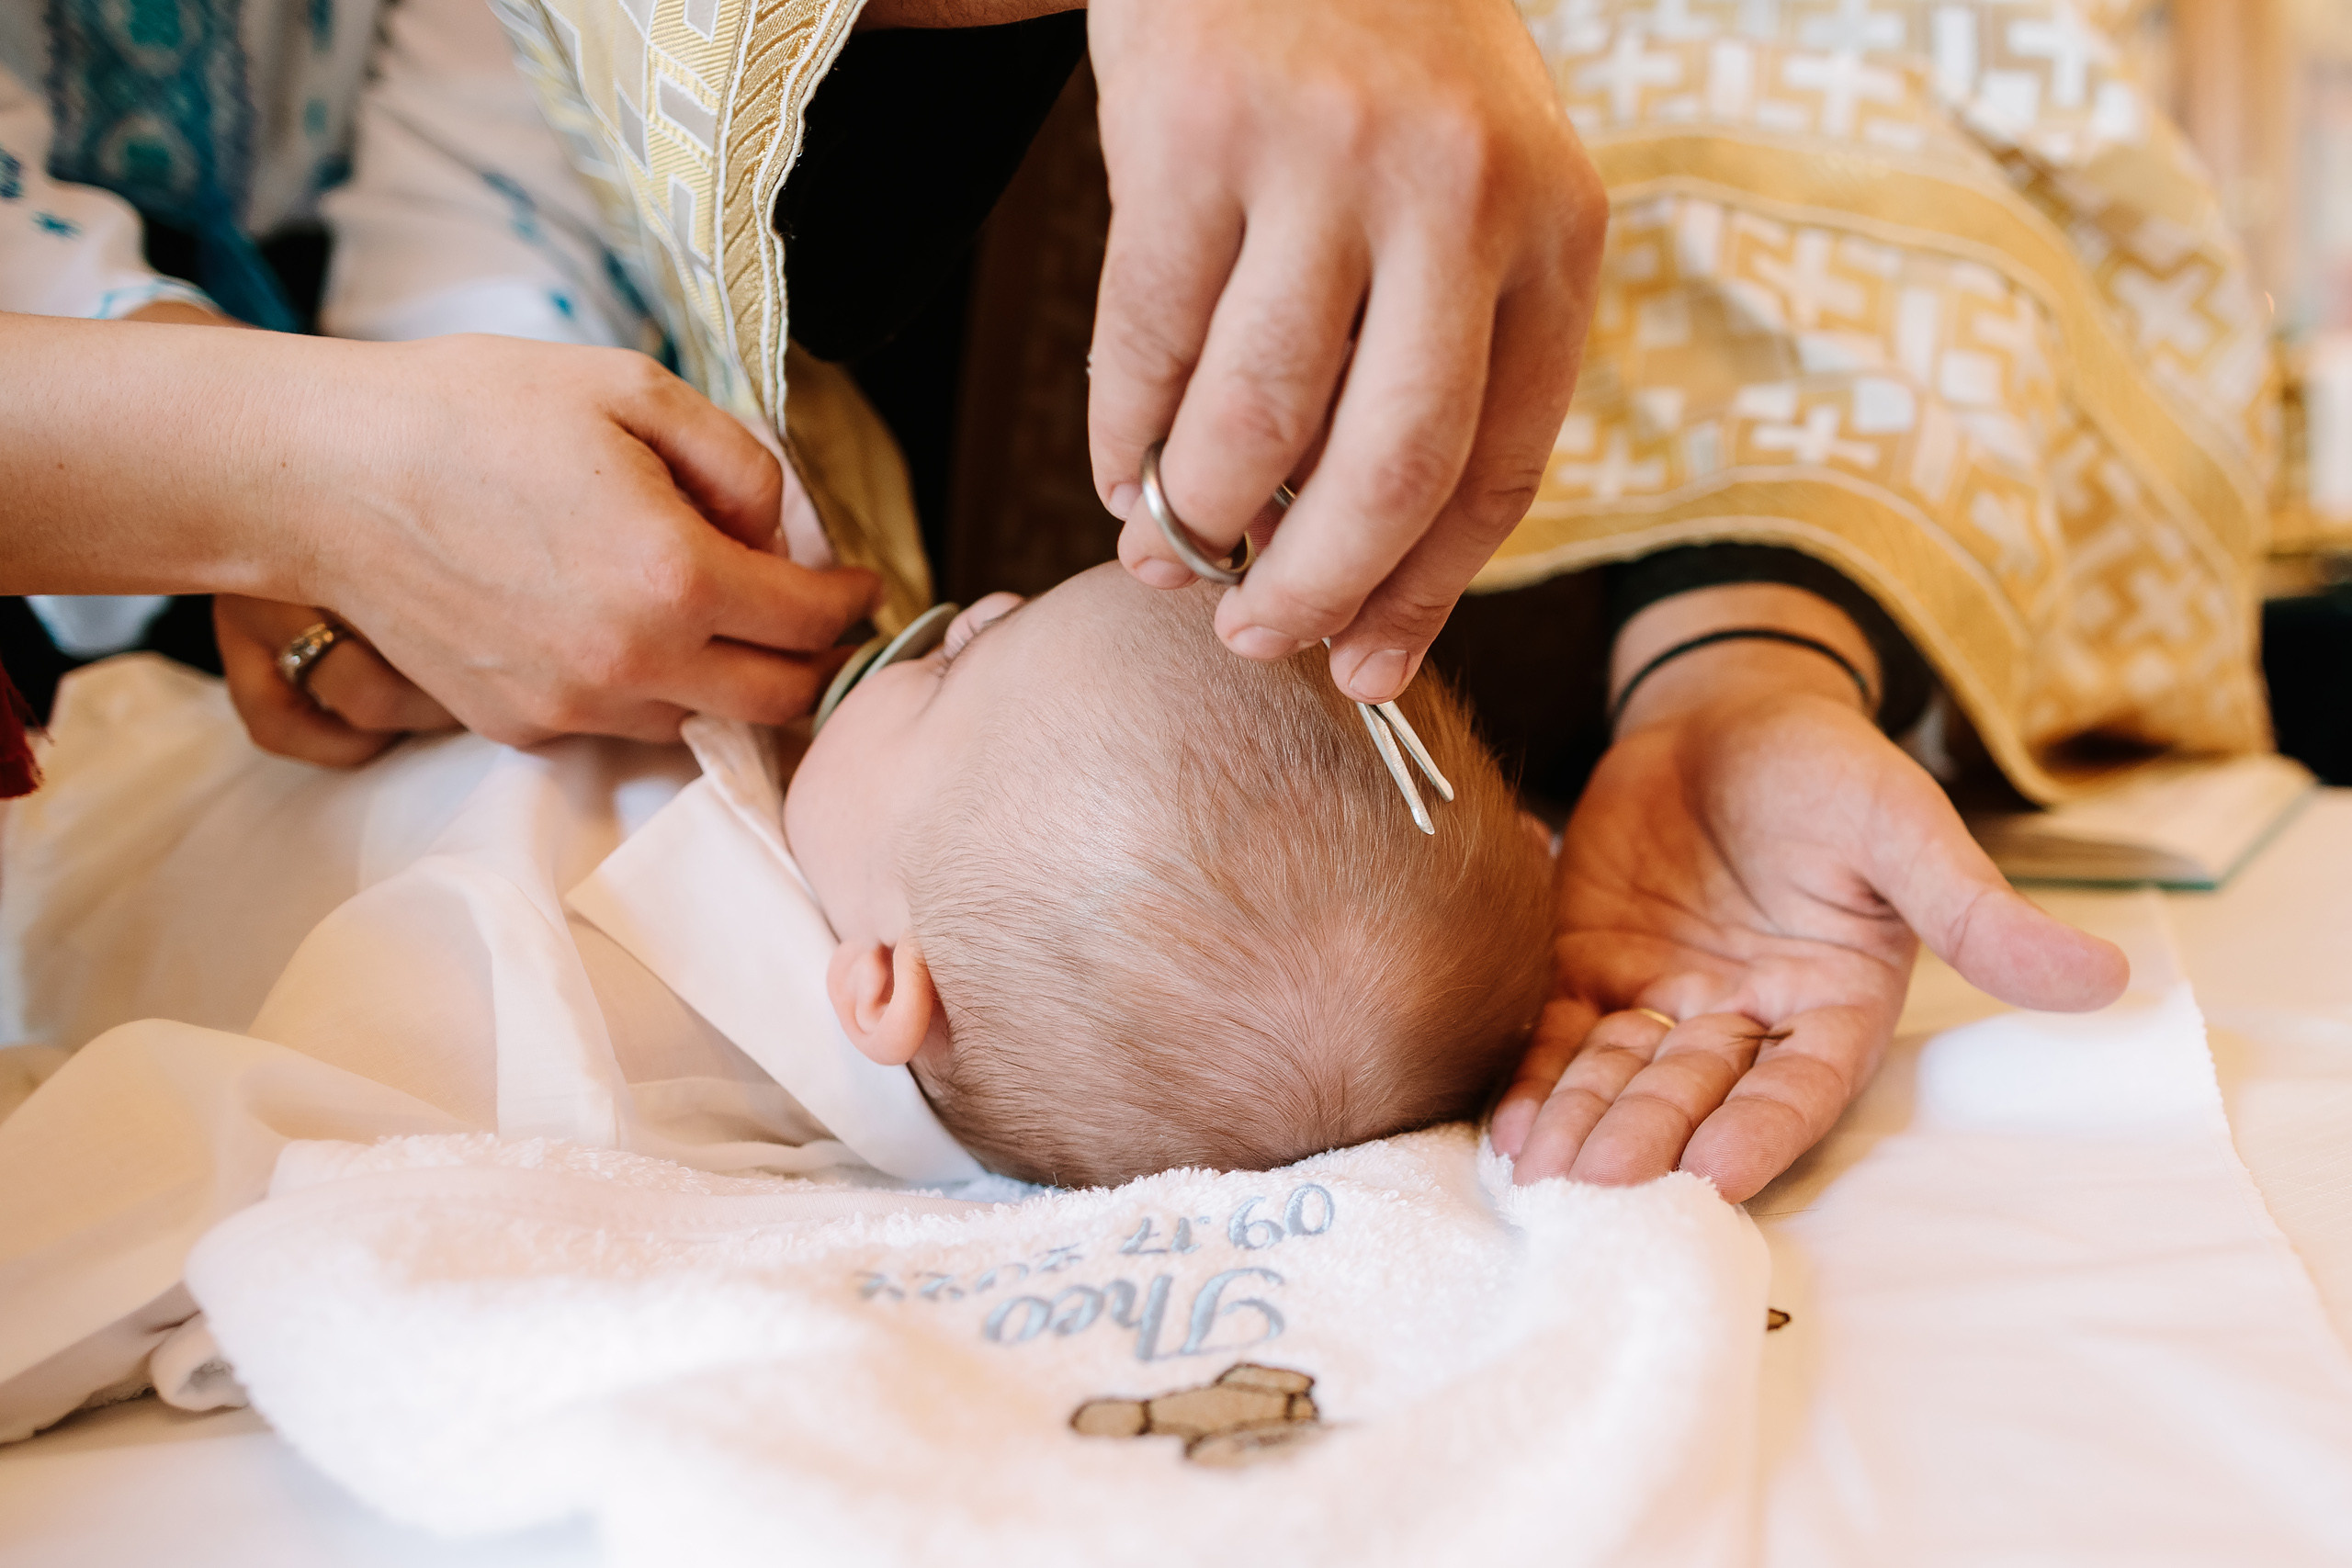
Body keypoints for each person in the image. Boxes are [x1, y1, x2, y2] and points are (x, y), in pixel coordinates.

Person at [0, 561, 1550, 1436]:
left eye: (949, 674)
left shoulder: (568, 1034)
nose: (978, 601)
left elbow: (174, 1161)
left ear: (884, 984)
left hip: (67, 854)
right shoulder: (888, 857)